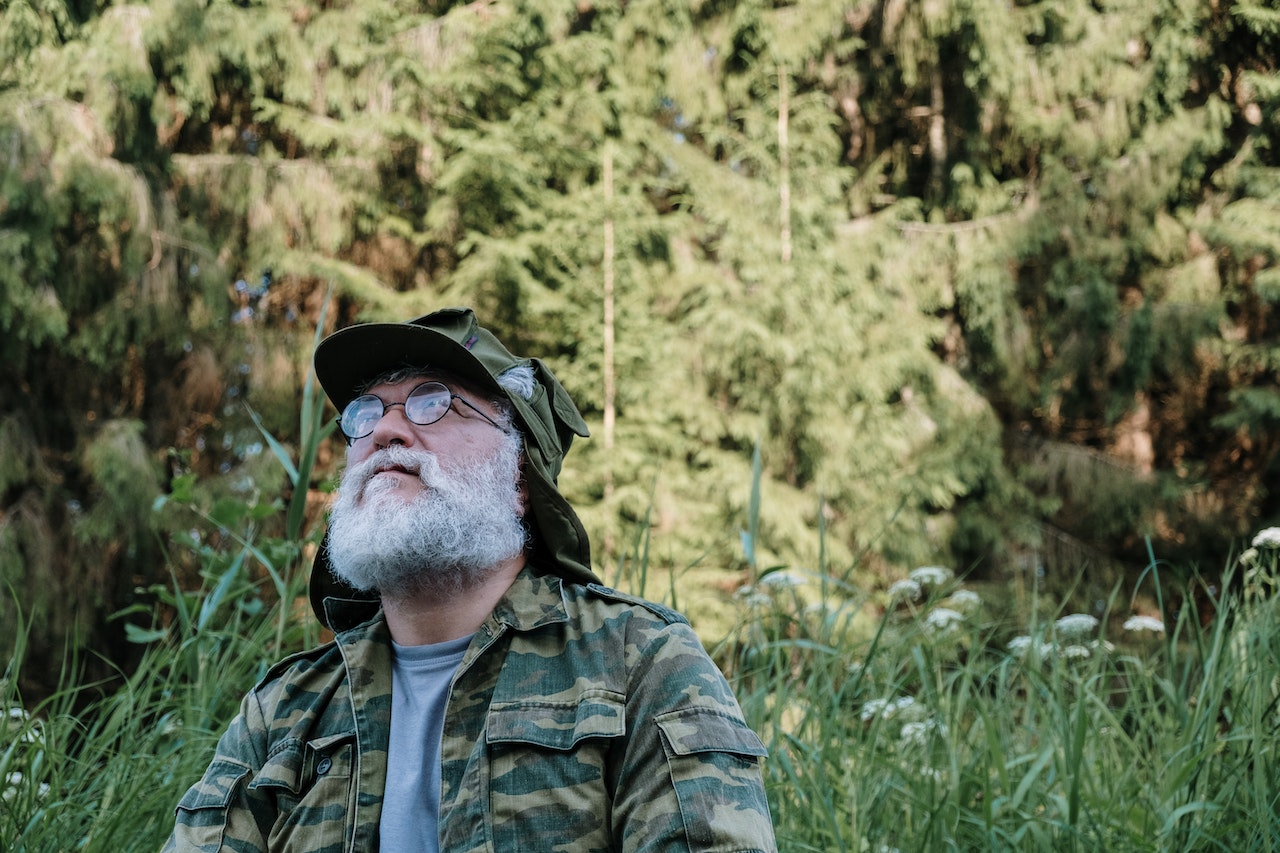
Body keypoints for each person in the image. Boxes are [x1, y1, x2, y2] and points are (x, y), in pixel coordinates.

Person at [164, 307, 777, 852]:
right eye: (365, 412)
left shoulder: (640, 661)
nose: (385, 431)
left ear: (517, 477)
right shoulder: (282, 712)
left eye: (432, 401)